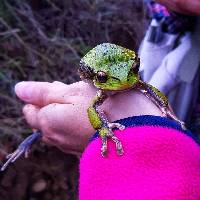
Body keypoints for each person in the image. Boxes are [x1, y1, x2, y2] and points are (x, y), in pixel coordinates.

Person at [14, 1, 200, 199]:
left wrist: (165, 113)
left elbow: (151, 90)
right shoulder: (100, 89)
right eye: (103, 79)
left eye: (134, 71)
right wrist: (103, 128)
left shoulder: (133, 80)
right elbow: (92, 109)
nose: (124, 83)